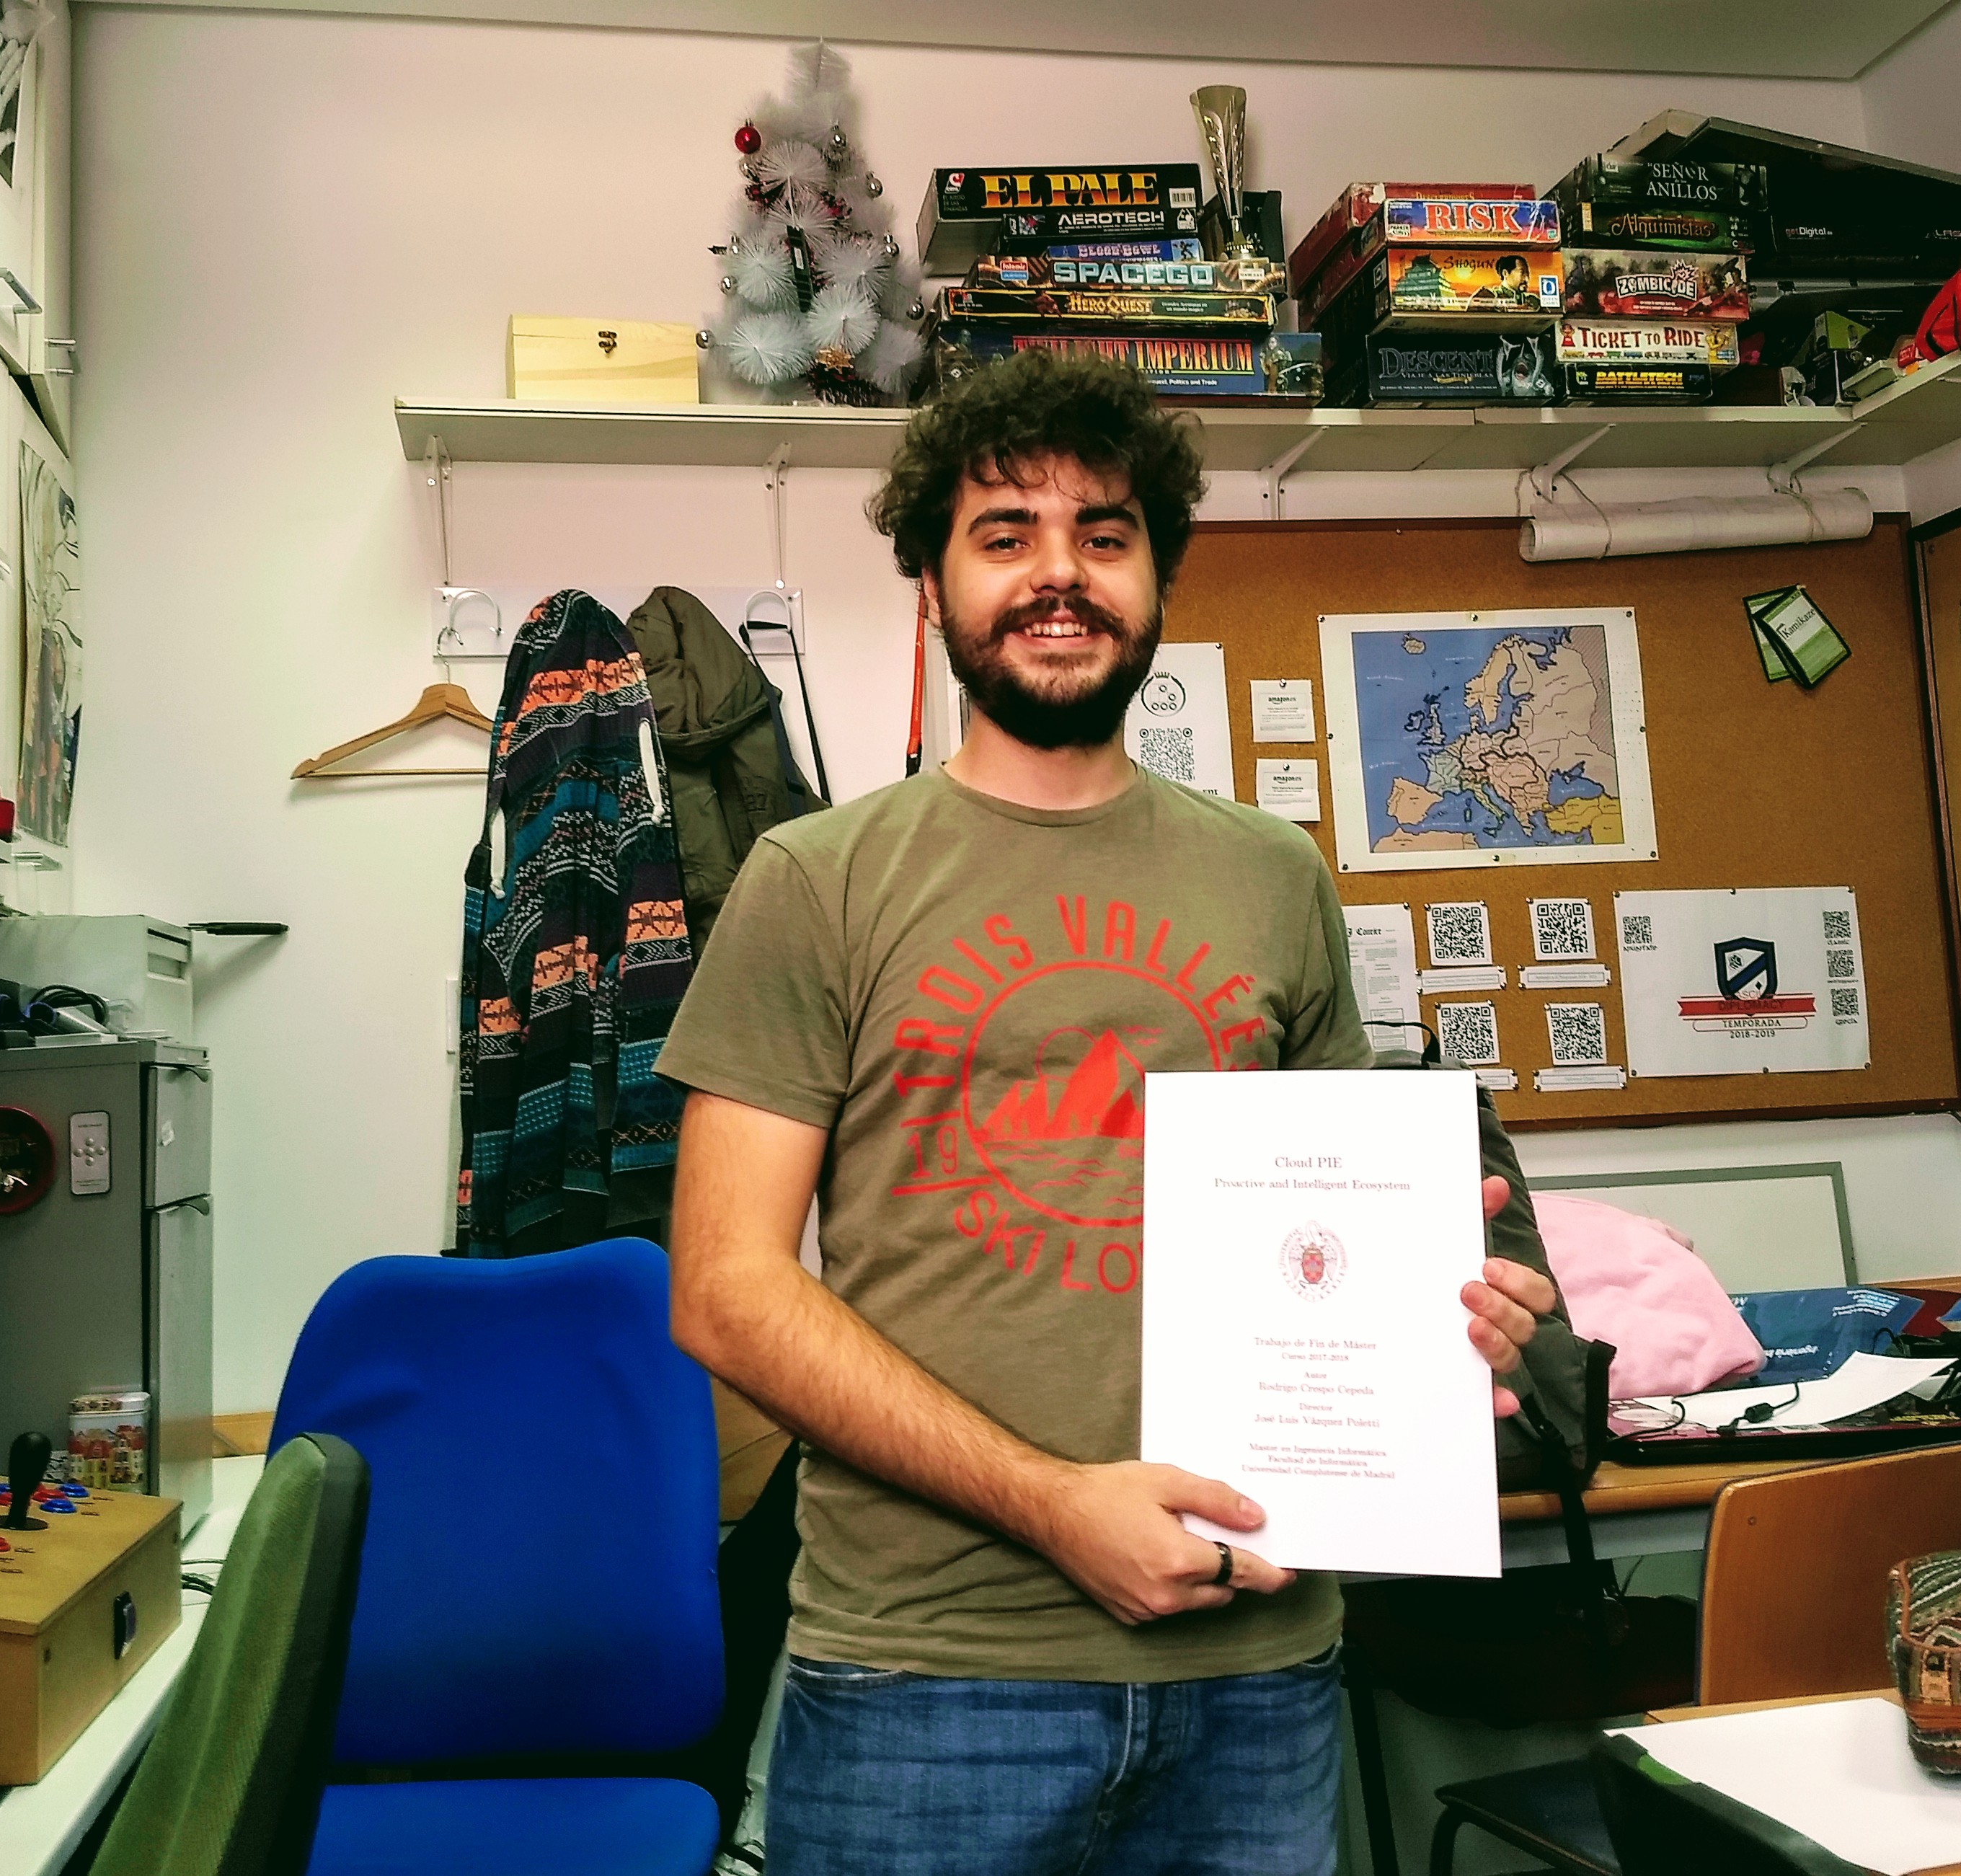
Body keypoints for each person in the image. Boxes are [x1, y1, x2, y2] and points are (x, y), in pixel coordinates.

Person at [658, 348, 1559, 1876]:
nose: (1059, 573)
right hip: (925, 1681)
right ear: (933, 584)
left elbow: (1338, 1228)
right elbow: (726, 1292)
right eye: (1005, 533)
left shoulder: (1275, 874)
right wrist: (1055, 1505)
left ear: (1157, 579)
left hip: (1257, 1670)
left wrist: (1452, 1310)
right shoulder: (814, 878)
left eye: (1106, 532)